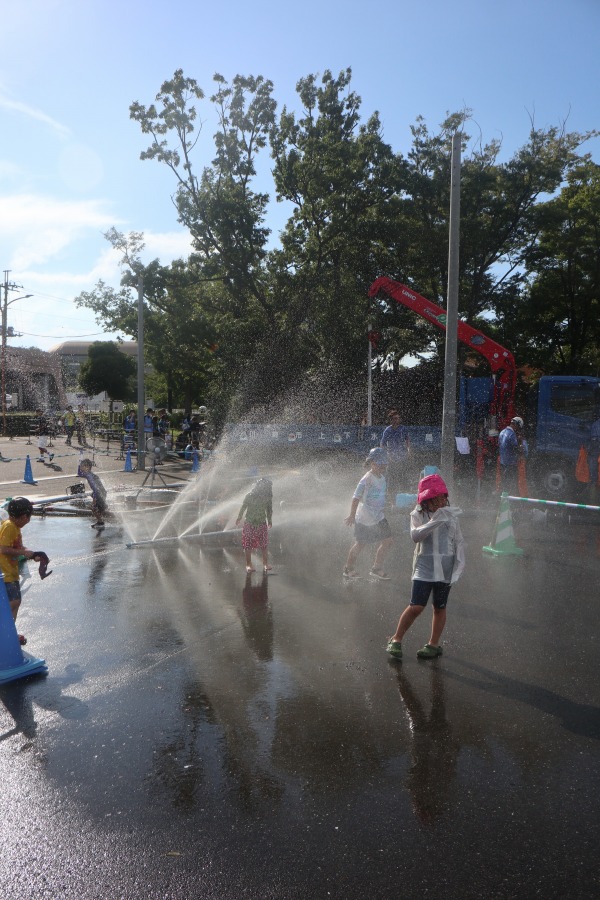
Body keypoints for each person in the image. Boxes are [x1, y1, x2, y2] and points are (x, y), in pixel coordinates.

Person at [386, 473, 465, 661]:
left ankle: (433, 644)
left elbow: (458, 541)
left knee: (439, 607)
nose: (439, 503)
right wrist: (436, 520)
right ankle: (396, 639)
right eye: (434, 499)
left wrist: (459, 565)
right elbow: (415, 536)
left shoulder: (451, 515)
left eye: (442, 498)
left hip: (446, 568)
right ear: (426, 500)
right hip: (424, 566)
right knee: (416, 606)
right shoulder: (418, 514)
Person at [0, 497, 49, 646]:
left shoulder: (14, 527)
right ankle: (5, 632)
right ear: (24, 517)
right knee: (13, 602)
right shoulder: (9, 527)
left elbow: (17, 548)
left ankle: (8, 632)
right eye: (28, 517)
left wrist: (31, 554)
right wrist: (23, 553)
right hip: (6, 573)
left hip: (10, 572)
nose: (28, 521)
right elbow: (2, 549)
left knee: (14, 603)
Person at [343, 446, 394, 581]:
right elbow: (356, 497)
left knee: (388, 541)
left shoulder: (382, 477)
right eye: (379, 463)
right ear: (372, 463)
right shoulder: (366, 479)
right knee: (361, 544)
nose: (382, 465)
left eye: (384, 463)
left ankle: (376, 568)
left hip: (379, 516)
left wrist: (388, 502)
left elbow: (382, 493)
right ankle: (348, 569)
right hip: (365, 517)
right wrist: (352, 515)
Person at [236, 477, 273, 573]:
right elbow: (243, 507)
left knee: (264, 545)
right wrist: (239, 517)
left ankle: (265, 564)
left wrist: (269, 521)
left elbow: (269, 510)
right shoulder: (249, 495)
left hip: (261, 523)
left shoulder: (268, 497)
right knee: (248, 545)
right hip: (250, 522)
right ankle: (248, 564)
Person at [380, 410, 410, 500]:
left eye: (398, 418)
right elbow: (382, 444)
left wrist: (409, 450)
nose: (397, 420)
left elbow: (407, 439)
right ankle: (391, 500)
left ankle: (404, 498)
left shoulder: (403, 428)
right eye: (395, 418)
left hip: (402, 457)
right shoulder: (388, 430)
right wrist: (386, 455)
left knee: (403, 478)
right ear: (391, 420)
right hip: (391, 458)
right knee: (391, 480)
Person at [498, 416, 526, 495]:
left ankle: (503, 504)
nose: (518, 430)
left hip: (502, 464)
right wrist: (521, 443)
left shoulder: (502, 432)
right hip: (510, 465)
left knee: (504, 485)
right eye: (519, 428)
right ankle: (513, 504)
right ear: (516, 425)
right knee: (512, 486)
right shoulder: (511, 434)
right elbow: (517, 449)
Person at [78, 458, 109, 528]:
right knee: (100, 509)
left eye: (82, 466)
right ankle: (101, 520)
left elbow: (96, 489)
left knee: (94, 508)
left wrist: (94, 500)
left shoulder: (90, 476)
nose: (81, 467)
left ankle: (101, 522)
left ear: (87, 467)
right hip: (101, 493)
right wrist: (79, 464)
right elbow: (79, 473)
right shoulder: (88, 474)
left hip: (100, 493)